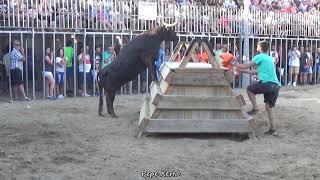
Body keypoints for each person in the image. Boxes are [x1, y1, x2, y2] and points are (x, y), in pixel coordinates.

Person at [232, 40, 281, 136]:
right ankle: (273, 129)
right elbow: (253, 72)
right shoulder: (269, 59)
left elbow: (246, 65)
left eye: (257, 46)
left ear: (260, 48)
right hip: (275, 86)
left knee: (249, 88)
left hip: (267, 84)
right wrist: (240, 70)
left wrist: (234, 63)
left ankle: (255, 108)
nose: (256, 48)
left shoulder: (259, 56)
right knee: (269, 108)